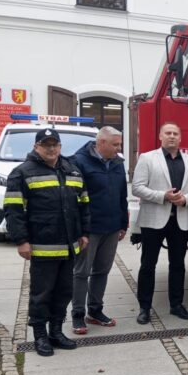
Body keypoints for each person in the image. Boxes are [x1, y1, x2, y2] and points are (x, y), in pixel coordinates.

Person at [4, 128, 90, 356]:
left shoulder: (72, 170)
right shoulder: (21, 173)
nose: (51, 149)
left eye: (55, 144)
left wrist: (84, 233)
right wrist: (21, 240)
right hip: (42, 248)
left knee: (64, 292)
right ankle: (40, 336)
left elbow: (84, 203)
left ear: (60, 147)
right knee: (41, 294)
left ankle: (56, 332)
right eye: (46, 144)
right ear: (36, 147)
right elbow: (13, 210)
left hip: (69, 246)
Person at [132, 123, 188, 323]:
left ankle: (176, 305)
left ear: (180, 138)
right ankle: (144, 308)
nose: (172, 136)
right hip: (154, 219)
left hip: (180, 220)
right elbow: (137, 188)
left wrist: (186, 200)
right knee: (148, 265)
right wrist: (163, 196)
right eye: (168, 133)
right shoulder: (147, 158)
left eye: (175, 133)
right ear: (160, 136)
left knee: (178, 265)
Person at [69, 126, 128, 335]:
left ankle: (95, 311)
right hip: (89, 229)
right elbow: (74, 200)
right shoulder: (79, 162)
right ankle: (77, 314)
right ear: (101, 143)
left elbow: (122, 194)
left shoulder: (117, 162)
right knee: (81, 272)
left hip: (111, 227)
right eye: (115, 144)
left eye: (119, 143)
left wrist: (123, 223)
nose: (119, 148)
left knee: (102, 271)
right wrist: (80, 230)